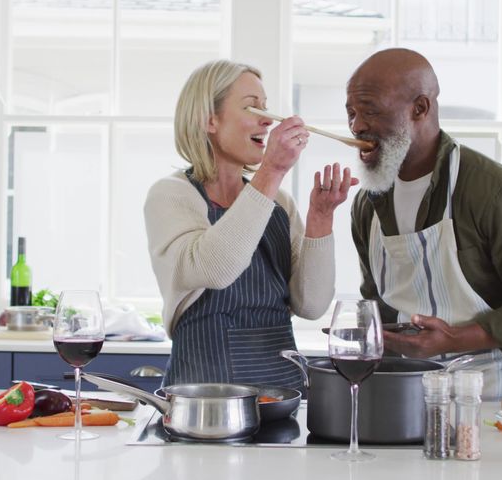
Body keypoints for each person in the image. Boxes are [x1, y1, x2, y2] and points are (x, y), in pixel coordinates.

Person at [346, 48, 502, 399]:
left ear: (419, 108)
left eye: (370, 111)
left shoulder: (496, 193)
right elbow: (375, 304)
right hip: (414, 394)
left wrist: (456, 339)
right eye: (351, 113)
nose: (356, 126)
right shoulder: (367, 205)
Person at [145, 59, 358, 390]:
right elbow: (214, 269)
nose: (266, 120)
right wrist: (271, 170)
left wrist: (320, 216)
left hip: (282, 393)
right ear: (209, 120)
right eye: (251, 107)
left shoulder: (279, 202)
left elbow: (312, 305)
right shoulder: (172, 195)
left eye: (267, 108)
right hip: (204, 399)